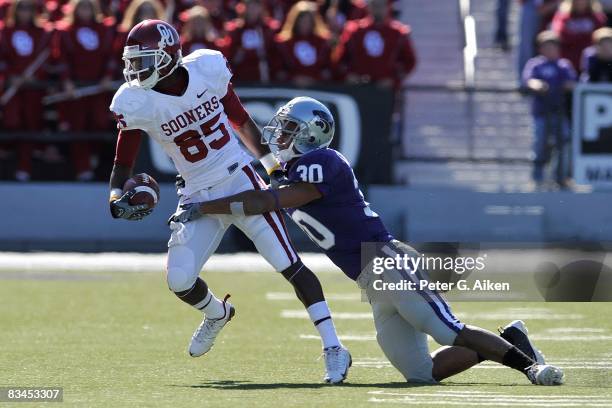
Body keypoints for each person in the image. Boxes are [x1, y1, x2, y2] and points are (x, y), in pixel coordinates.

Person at [169, 96, 566, 386]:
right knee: (420, 373)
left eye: (289, 128)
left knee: (447, 329)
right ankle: (511, 340)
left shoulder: (324, 163)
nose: (280, 133)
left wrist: (204, 206)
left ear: (309, 135)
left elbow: (265, 200)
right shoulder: (294, 167)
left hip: (386, 261)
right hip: (369, 278)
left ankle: (529, 366)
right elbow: (270, 179)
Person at [107, 20, 351, 384]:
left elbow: (240, 120)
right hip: (195, 193)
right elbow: (122, 164)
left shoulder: (206, 70)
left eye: (144, 60)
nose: (135, 69)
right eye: (133, 61)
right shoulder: (136, 101)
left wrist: (270, 167)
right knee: (178, 279)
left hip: (239, 179)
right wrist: (115, 198)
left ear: (168, 56)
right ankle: (218, 313)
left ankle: (334, 347)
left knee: (288, 264)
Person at [54, 0, 115, 181]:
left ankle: (93, 154)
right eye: (81, 7)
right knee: (78, 127)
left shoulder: (104, 29)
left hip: (99, 88)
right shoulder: (66, 31)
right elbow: (62, 58)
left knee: (100, 123)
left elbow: (111, 55)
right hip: (76, 89)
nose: (85, 11)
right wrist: (67, 82)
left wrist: (108, 76)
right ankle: (83, 166)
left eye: (88, 7)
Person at [0, 0, 52, 181]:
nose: (24, 12)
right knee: (11, 121)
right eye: (21, 8)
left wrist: (36, 75)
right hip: (12, 87)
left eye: (28, 8)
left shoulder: (42, 33)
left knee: (31, 124)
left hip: (33, 88)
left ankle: (24, 167)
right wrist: (10, 75)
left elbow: (48, 59)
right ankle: (7, 149)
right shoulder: (4, 32)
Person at [522, 31, 576, 187]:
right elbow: (528, 80)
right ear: (540, 49)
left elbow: (572, 82)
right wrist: (537, 85)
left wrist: (565, 85)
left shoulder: (563, 65)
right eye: (546, 47)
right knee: (539, 143)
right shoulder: (535, 64)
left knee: (565, 142)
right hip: (540, 112)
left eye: (552, 47)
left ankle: (560, 176)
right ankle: (537, 177)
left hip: (560, 113)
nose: (550, 50)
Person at [332, 0, 416, 89]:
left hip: (386, 90)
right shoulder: (354, 31)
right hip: (358, 87)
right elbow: (340, 60)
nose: (377, 9)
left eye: (380, 5)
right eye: (374, 5)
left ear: (388, 7)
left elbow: (409, 61)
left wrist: (393, 80)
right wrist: (348, 76)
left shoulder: (398, 33)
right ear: (369, 7)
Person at [274, 1, 332, 86]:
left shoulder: (323, 43)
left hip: (318, 88)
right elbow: (279, 71)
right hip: (291, 88)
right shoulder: (285, 44)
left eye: (308, 21)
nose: (305, 24)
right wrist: (293, 78)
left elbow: (329, 70)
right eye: (302, 21)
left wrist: (314, 79)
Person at [225, 0, 280, 83]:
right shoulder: (235, 30)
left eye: (255, 6)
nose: (252, 10)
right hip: (240, 76)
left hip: (264, 76)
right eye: (249, 6)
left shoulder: (269, 29)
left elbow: (275, 54)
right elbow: (229, 55)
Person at [552, 0, 606, 69]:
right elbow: (561, 34)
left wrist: (576, 36)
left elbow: (599, 36)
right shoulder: (563, 16)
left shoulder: (596, 17)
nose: (580, 2)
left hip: (591, 61)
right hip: (569, 58)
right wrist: (585, 37)